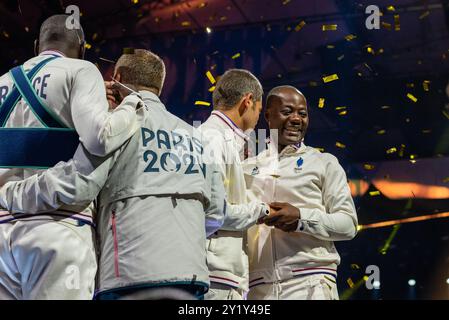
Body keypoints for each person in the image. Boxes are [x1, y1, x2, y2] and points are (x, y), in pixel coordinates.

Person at [0, 49, 226, 300]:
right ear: (159, 86)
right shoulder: (198, 138)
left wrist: (11, 193)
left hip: (128, 277)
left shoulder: (117, 126)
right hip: (190, 278)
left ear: (116, 76)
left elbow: (77, 184)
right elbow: (216, 213)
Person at [0, 15, 140, 300]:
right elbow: (100, 138)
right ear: (83, 47)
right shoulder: (82, 70)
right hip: (57, 227)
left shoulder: (1, 82)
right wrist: (132, 106)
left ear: (37, 44)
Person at [242, 85, 358, 300]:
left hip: (310, 282)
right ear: (268, 115)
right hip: (258, 288)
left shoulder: (324, 162)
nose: (296, 119)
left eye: (302, 114)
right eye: (287, 112)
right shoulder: (246, 166)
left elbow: (348, 225)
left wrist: (301, 218)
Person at [199, 69, 270, 300]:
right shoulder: (213, 138)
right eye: (259, 109)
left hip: (218, 275)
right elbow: (213, 212)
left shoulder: (216, 137)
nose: (259, 117)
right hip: (216, 277)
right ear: (248, 101)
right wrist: (261, 210)